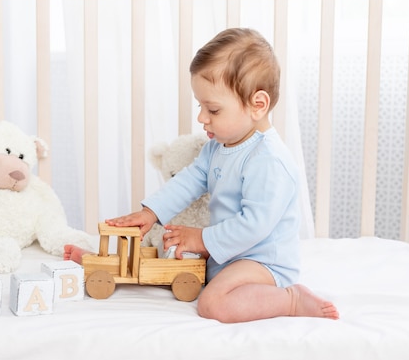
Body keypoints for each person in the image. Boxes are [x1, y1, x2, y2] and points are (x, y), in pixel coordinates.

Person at [65, 28, 339, 323]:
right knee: (171, 254)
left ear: (257, 105)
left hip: (261, 261)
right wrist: (150, 213)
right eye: (201, 106)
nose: (201, 117)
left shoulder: (269, 160)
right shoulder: (218, 147)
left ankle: (291, 298)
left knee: (213, 304)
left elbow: (254, 226)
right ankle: (105, 266)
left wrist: (203, 239)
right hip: (227, 253)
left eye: (213, 109)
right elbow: (188, 181)